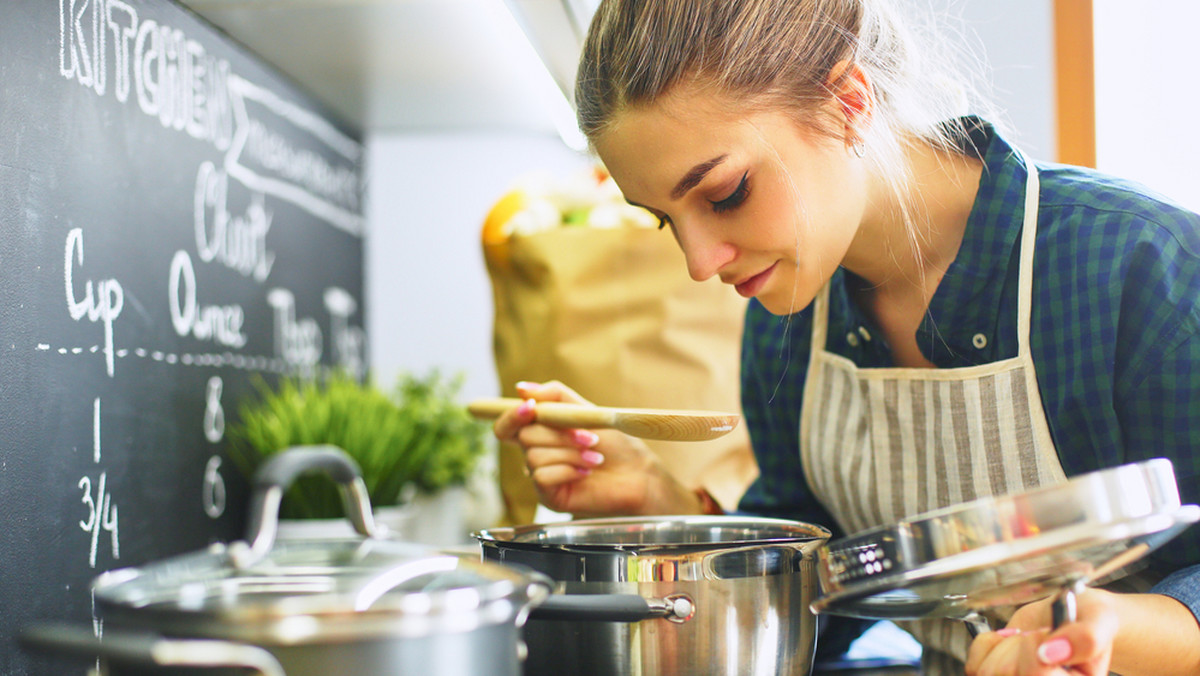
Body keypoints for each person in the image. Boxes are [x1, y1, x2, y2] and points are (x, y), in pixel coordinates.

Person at [489, 0, 1200, 673]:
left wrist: (1110, 630)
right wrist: (653, 501)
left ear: (847, 102)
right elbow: (821, 607)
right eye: (664, 219)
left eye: (726, 193)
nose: (700, 262)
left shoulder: (1139, 267)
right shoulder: (790, 325)